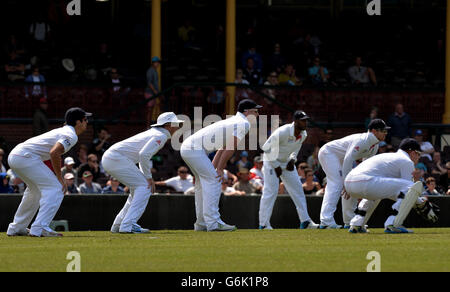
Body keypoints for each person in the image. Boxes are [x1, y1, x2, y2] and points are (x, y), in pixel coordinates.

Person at [6, 107, 91, 237]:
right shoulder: (71, 135)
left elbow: (53, 153)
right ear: (78, 122)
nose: (87, 122)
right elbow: (54, 152)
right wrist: (59, 177)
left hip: (16, 155)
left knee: (35, 191)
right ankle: (40, 228)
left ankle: (17, 228)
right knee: (56, 187)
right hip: (24, 157)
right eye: (85, 119)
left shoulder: (65, 131)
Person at [180, 98, 261, 232]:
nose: (258, 114)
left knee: (202, 183)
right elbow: (230, 147)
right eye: (256, 111)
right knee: (214, 180)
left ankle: (201, 224)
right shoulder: (243, 123)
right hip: (194, 149)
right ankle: (213, 222)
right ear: (247, 112)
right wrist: (219, 169)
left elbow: (223, 147)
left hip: (189, 148)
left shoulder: (234, 121)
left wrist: (215, 167)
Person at [102, 112, 183, 233]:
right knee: (145, 187)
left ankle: (119, 225)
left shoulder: (157, 133)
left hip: (112, 158)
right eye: (176, 124)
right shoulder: (160, 135)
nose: (178, 127)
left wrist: (146, 177)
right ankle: (128, 225)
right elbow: (143, 155)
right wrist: (149, 178)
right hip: (115, 159)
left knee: (138, 188)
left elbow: (142, 156)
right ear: (168, 125)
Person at [344, 139, 433, 233]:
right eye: (418, 154)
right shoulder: (407, 161)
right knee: (411, 186)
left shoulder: (389, 156)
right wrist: (422, 203)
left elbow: (397, 192)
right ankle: (393, 224)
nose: (418, 157)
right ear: (412, 152)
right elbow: (409, 191)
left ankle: (357, 224)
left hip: (349, 182)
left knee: (376, 194)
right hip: (365, 181)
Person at [318, 119, 389, 229]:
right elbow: (348, 160)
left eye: (386, 131)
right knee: (337, 183)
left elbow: (366, 166)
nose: (385, 133)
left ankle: (349, 221)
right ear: (374, 131)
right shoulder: (362, 141)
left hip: (341, 158)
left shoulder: (375, 145)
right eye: (383, 131)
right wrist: (347, 184)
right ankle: (326, 221)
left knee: (353, 184)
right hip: (329, 153)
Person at [259, 110, 319, 230]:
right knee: (271, 191)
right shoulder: (283, 131)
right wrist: (275, 165)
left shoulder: (304, 134)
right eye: (303, 121)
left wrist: (292, 160)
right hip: (271, 161)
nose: (305, 123)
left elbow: (296, 148)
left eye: (306, 120)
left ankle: (305, 222)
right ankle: (264, 224)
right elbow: (266, 147)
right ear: (296, 121)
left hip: (286, 162)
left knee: (298, 190)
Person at [145, 56, 161, 125]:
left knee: (152, 110)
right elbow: (149, 83)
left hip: (154, 93)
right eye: (156, 62)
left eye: (158, 62)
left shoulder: (154, 71)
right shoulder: (150, 71)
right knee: (149, 110)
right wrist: (155, 91)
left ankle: (149, 125)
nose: (157, 64)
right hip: (150, 93)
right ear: (153, 63)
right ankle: (147, 126)